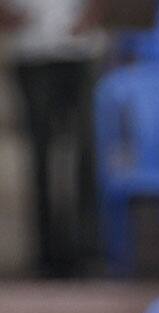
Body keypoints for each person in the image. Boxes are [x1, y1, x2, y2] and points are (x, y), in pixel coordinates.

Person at [0, 0, 107, 277]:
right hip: (31, 51)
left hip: (77, 49)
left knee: (84, 154)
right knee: (41, 156)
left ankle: (87, 250)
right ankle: (46, 255)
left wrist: (91, 14)